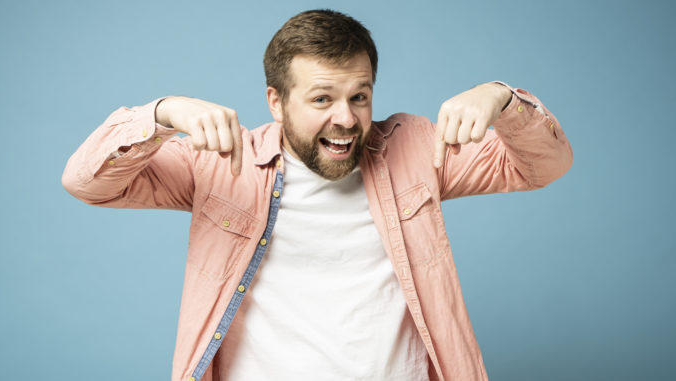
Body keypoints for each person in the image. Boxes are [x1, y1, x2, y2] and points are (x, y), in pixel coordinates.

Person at [62, 9, 572, 381]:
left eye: (360, 96)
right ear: (276, 102)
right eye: (322, 99)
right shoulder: (220, 164)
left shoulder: (417, 150)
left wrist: (502, 98)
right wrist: (161, 114)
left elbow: (543, 166)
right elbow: (87, 183)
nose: (346, 118)